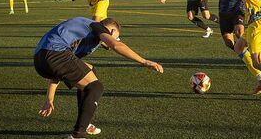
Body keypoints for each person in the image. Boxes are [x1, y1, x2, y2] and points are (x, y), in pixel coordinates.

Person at [34, 17, 164, 139]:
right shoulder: (96, 26)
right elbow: (116, 45)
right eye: (116, 37)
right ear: (111, 31)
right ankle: (78, 135)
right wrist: (144, 61)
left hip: (40, 60)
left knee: (89, 70)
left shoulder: (82, 37)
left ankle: (85, 123)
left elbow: (59, 71)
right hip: (54, 53)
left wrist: (49, 99)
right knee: (96, 87)